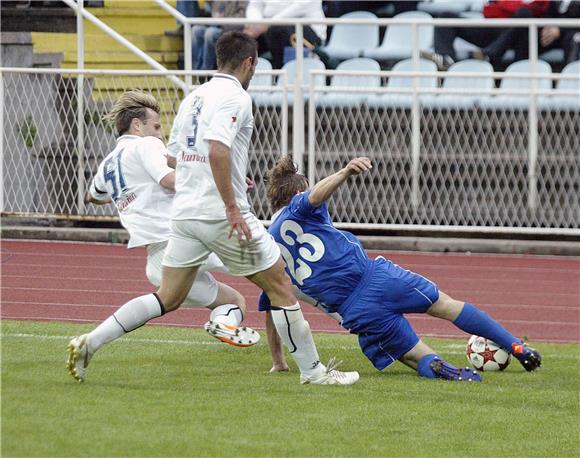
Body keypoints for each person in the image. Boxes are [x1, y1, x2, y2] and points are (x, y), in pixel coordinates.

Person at [69, 32, 359, 386]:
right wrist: (232, 205)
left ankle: (91, 343)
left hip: (185, 217)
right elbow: (218, 150)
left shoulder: (194, 98)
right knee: (280, 283)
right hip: (219, 214)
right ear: (250, 62)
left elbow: (175, 156)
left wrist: (230, 178)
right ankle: (314, 373)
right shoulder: (236, 97)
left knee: (168, 297)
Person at [258, 156, 543, 382]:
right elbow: (315, 197)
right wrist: (344, 172)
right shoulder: (300, 205)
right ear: (297, 192)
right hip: (377, 277)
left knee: (413, 356)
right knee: (445, 305)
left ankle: (443, 368)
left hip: (355, 311)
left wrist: (278, 361)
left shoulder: (269, 245)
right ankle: (516, 345)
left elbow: (275, 305)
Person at [66, 90, 261, 382]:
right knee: (273, 265)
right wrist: (225, 182)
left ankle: (90, 342)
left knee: (229, 302)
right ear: (137, 126)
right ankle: (317, 350)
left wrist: (129, 193)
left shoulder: (108, 164)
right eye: (156, 127)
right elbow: (170, 181)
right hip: (186, 239)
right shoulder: (146, 146)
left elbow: (92, 197)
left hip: (158, 258)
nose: (160, 134)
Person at [421, 0, 550, 70]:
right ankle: (445, 57)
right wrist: (515, 6)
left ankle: (489, 55)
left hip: (524, 35)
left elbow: (539, 8)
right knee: (446, 17)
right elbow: (489, 10)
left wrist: (507, 6)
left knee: (523, 14)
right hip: (496, 29)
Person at [244, 0, 327, 69]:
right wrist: (255, 24)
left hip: (307, 30)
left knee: (278, 30)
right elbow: (255, 6)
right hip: (267, 28)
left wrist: (267, 24)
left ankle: (279, 75)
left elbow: (302, 6)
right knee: (240, 38)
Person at [190, 1, 248, 70]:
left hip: (230, 29)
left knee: (210, 33)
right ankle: (195, 69)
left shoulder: (242, 2)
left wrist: (223, 20)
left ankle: (206, 70)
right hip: (214, 25)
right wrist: (215, 16)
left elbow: (241, 17)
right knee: (196, 30)